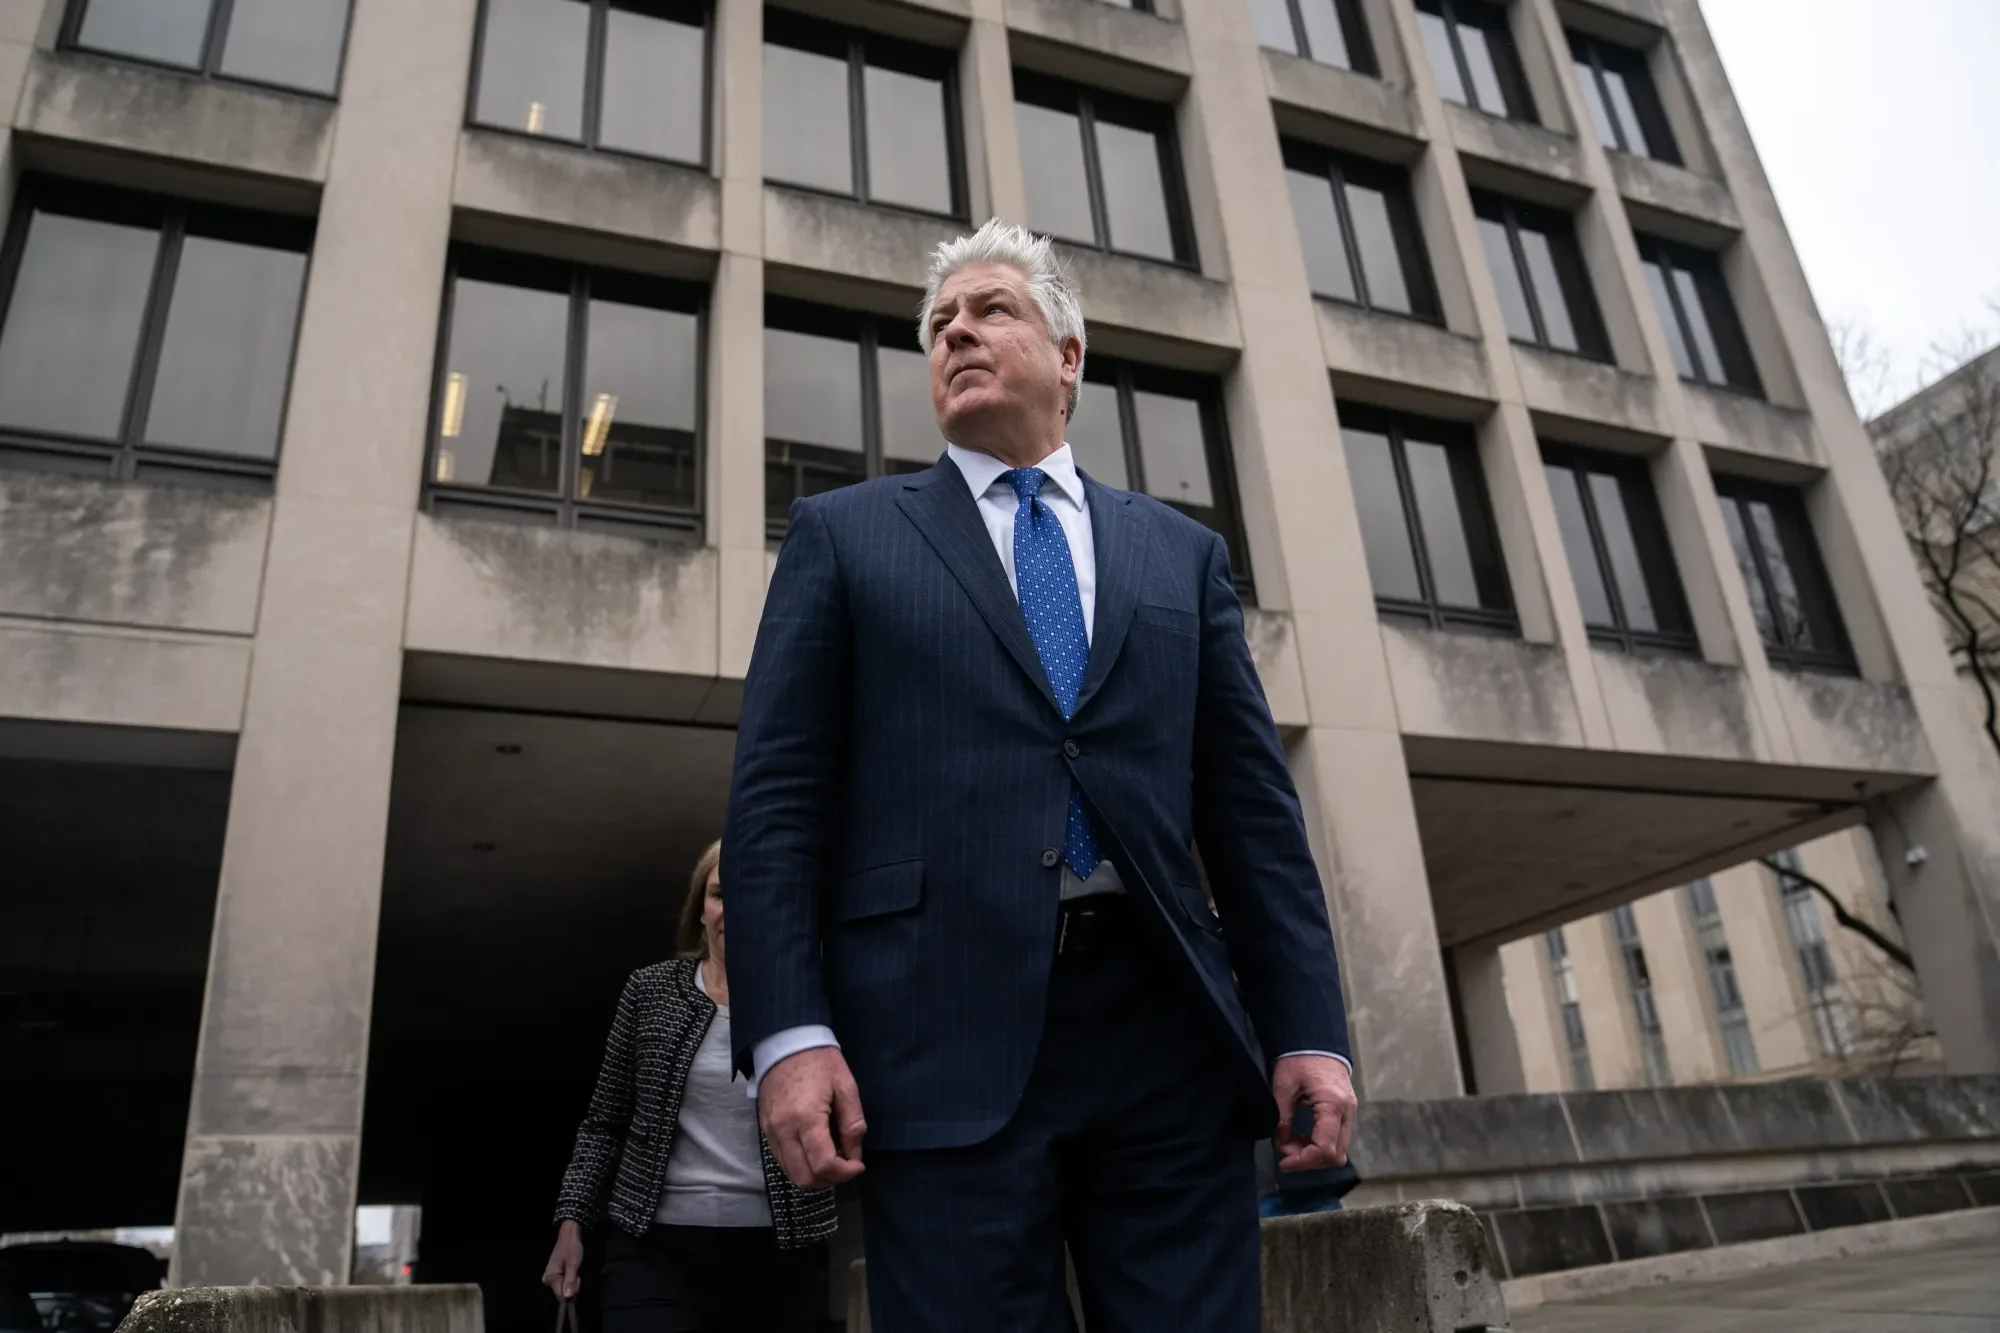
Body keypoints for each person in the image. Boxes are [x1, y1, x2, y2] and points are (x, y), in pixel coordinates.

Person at [722, 217, 1357, 1333]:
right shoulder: (843, 537)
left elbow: (1254, 816)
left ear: (1068, 356)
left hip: (1167, 1036)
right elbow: (776, 805)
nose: (955, 332)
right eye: (939, 324)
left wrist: (1308, 1026)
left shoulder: (1181, 555)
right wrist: (789, 1034)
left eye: (989, 310)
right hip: (937, 1044)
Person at [541, 840, 834, 1333]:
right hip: (654, 1251)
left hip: (778, 1255)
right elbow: (603, 1124)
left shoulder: (810, 996)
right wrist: (572, 1224)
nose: (734, 910)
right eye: (720, 894)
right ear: (700, 910)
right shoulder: (649, 991)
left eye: (751, 893)